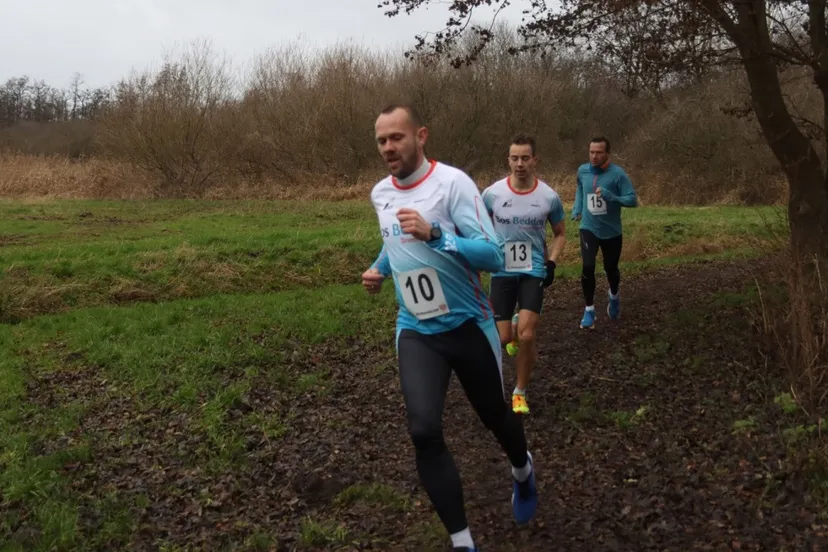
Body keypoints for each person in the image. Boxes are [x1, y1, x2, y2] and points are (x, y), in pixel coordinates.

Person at [361, 104, 538, 552]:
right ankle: (462, 541)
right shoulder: (380, 192)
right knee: (423, 430)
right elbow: (393, 238)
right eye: (381, 140)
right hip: (416, 328)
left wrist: (438, 236)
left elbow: (494, 255)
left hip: (467, 324)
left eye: (396, 137)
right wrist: (379, 268)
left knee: (494, 415)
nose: (388, 147)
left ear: (421, 135)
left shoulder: (453, 183)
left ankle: (522, 469)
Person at [481, 135, 566, 415]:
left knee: (528, 336)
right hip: (502, 272)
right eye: (514, 158)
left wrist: (552, 263)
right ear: (508, 160)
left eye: (525, 158)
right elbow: (477, 226)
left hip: (533, 271)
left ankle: (520, 391)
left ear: (534, 160)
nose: (519, 164)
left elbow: (560, 234)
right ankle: (514, 327)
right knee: (504, 339)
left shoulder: (548, 197)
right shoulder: (492, 194)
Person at [571, 136, 638, 330]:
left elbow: (632, 200)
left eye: (598, 152)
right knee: (588, 267)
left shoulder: (618, 174)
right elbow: (580, 188)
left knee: (611, 269)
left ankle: (614, 295)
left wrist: (612, 197)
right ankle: (589, 309)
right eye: (591, 152)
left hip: (611, 231)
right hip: (588, 228)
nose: (594, 156)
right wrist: (577, 207)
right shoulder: (582, 170)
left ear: (607, 153)